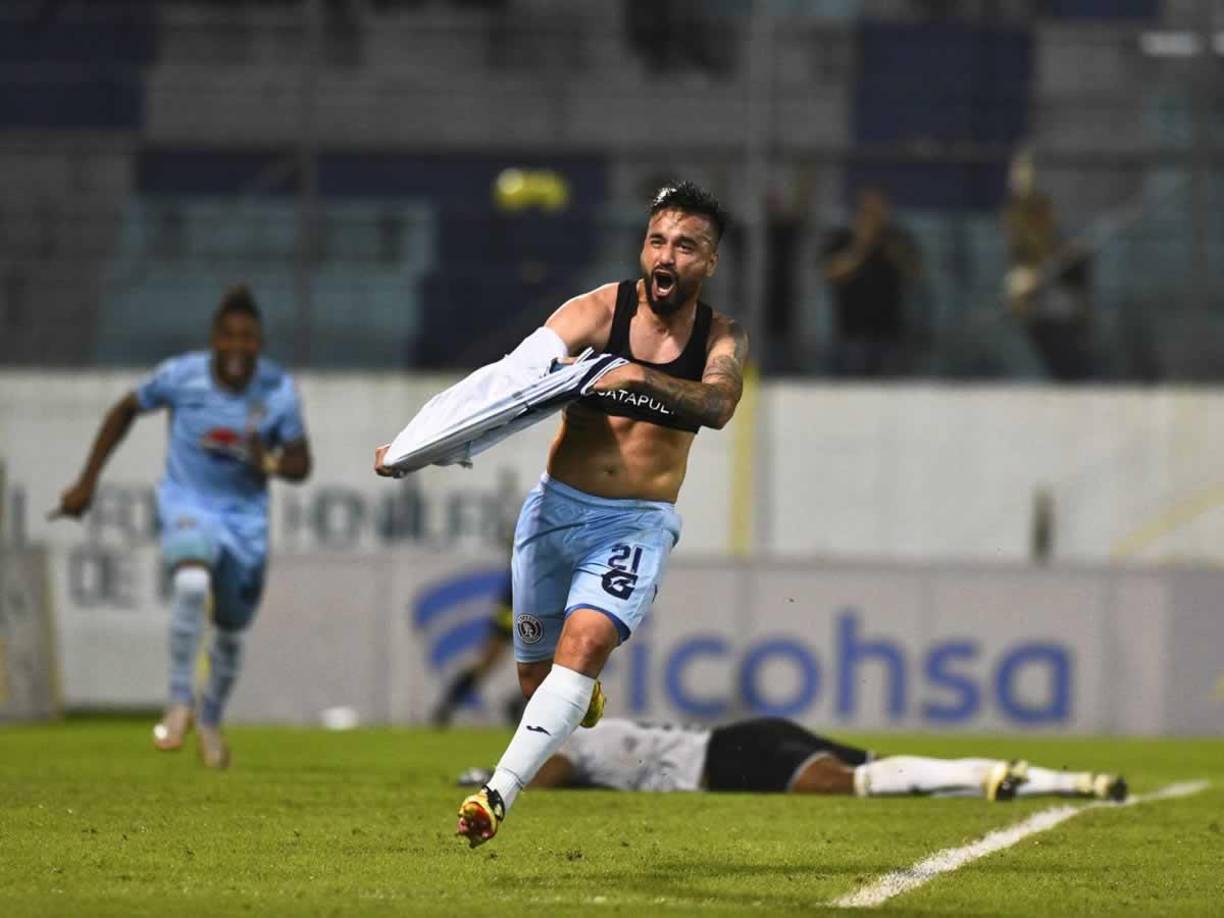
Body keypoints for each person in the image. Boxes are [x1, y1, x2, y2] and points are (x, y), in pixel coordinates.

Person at [375, 180, 747, 847]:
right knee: (535, 681)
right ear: (644, 248)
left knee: (584, 646)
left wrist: (635, 378)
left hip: (635, 524)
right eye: (658, 240)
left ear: (708, 264)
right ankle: (577, 693)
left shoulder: (720, 337)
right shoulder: (600, 310)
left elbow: (718, 406)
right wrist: (414, 445)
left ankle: (495, 796)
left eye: (687, 246)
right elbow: (514, 375)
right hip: (554, 513)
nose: (668, 255)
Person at [54, 285, 311, 768]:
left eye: (248, 338)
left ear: (260, 343)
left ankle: (209, 719)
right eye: (229, 336)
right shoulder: (181, 375)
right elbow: (125, 409)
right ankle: (177, 703)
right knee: (191, 583)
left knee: (231, 630)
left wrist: (270, 462)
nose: (238, 347)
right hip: (187, 501)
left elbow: (301, 463)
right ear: (215, 338)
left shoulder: (277, 391)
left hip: (245, 520)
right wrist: (86, 481)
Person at [459, 717, 1129, 803]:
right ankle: (1066, 781)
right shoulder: (598, 727)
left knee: (849, 784)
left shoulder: (571, 740)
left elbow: (554, 772)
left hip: (729, 757)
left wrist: (495, 778)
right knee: (885, 764)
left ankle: (982, 777)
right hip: (750, 734)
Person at [1002, 151, 1093, 381]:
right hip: (1023, 315)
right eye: (1018, 171)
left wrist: (1063, 262)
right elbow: (1013, 274)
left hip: (1052, 313)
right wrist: (1021, 283)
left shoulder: (1059, 233)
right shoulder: (1010, 220)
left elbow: (1074, 280)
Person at [822, 186, 921, 377]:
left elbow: (915, 272)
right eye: (868, 210)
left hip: (890, 334)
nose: (873, 216)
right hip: (850, 333)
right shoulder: (843, 238)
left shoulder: (897, 238)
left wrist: (889, 247)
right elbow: (832, 272)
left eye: (878, 210)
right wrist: (861, 246)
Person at [429, 572, 521, 728]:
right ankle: (449, 703)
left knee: (547, 667)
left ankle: (516, 703)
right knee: (485, 664)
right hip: (517, 614)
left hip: (521, 613)